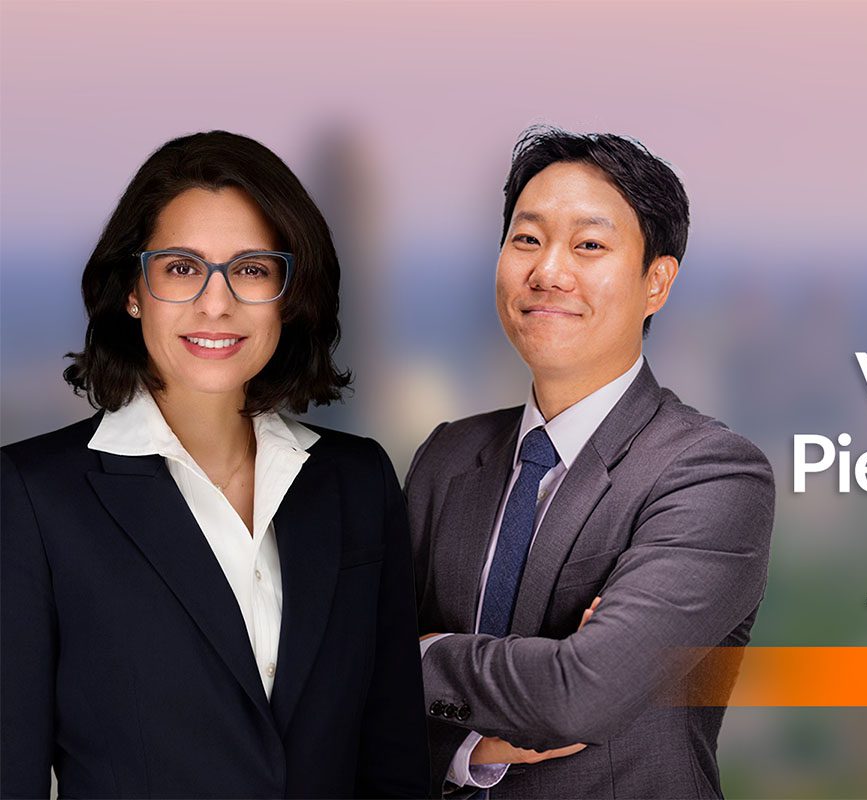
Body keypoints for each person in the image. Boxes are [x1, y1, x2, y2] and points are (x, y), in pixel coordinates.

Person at [1, 131, 429, 798]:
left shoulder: (357, 480)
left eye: (251, 269)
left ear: (289, 294)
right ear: (134, 291)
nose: (216, 302)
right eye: (181, 267)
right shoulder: (34, 497)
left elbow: (396, 758)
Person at [406, 127, 775, 798]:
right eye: (526, 239)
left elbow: (580, 696)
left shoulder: (711, 473)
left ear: (656, 282)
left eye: (589, 245)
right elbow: (343, 694)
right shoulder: (447, 459)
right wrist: (470, 745)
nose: (548, 271)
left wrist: (420, 655)